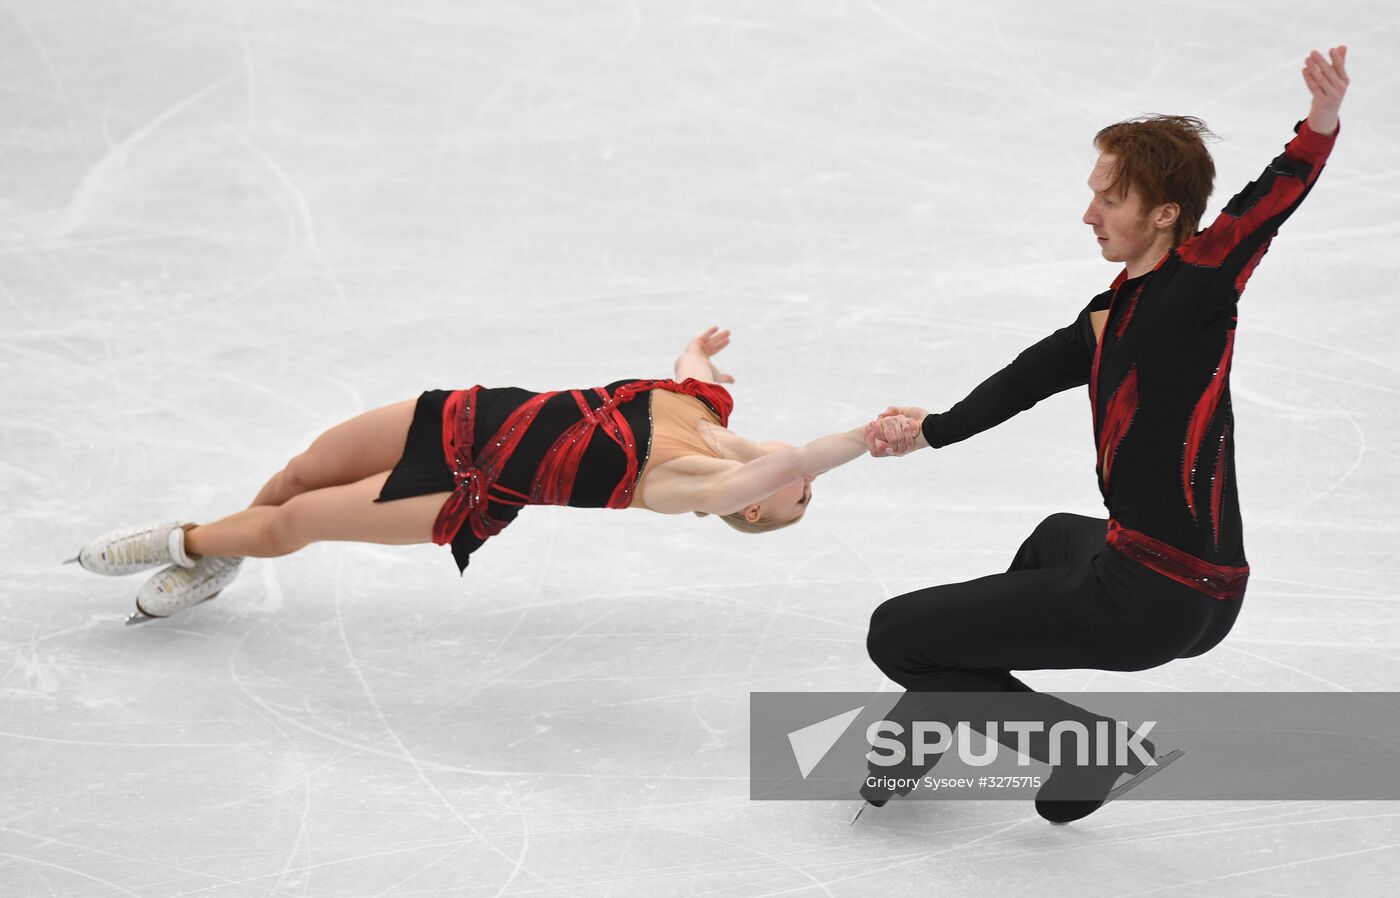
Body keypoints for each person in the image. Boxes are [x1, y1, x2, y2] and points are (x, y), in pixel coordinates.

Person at [857, 47, 1349, 824]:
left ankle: (1081, 749)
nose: (1090, 214)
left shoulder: (1196, 288)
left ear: (1163, 213)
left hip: (1153, 598)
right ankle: (941, 716)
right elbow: (1028, 375)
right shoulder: (1113, 311)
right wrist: (933, 430)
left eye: (1110, 199)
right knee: (1055, 538)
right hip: (1204, 587)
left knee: (897, 635)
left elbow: (1263, 208)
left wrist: (1318, 125)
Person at [68, 327, 917, 623]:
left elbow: (799, 458)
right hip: (456, 413)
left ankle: (183, 542)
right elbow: (684, 366)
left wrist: (859, 438)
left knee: (301, 522)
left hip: (464, 486)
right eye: (806, 480)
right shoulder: (705, 410)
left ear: (757, 512)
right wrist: (704, 354)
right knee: (296, 474)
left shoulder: (690, 487)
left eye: (798, 492)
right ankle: (220, 553)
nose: (802, 476)